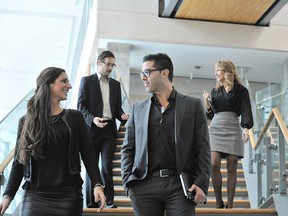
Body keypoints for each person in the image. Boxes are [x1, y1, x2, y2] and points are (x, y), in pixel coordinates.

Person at [0, 67, 106, 216]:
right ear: (48, 85)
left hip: (69, 196)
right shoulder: (26, 122)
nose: (69, 85)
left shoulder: (75, 118)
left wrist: (97, 184)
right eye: (64, 81)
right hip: (34, 196)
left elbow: (88, 154)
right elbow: (19, 162)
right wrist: (8, 196)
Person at [121, 53, 211, 216]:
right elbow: (128, 148)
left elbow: (203, 148)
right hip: (144, 186)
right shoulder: (138, 109)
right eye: (142, 73)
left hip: (180, 185)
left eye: (147, 72)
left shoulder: (193, 105)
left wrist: (202, 183)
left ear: (164, 73)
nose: (143, 77)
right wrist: (128, 183)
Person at [77, 50, 129, 208]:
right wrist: (93, 119)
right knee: (91, 165)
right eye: (107, 64)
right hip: (92, 130)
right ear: (99, 63)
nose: (110, 68)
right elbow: (81, 105)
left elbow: (117, 108)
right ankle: (92, 202)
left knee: (107, 165)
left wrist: (123, 116)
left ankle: (110, 200)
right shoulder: (86, 81)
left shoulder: (115, 84)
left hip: (109, 130)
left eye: (112, 65)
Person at [202, 60, 253, 209]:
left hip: (233, 126)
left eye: (218, 70)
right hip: (216, 127)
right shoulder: (215, 91)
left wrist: (246, 128)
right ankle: (219, 201)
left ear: (226, 71)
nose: (216, 73)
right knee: (213, 163)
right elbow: (211, 115)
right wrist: (207, 104)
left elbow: (246, 109)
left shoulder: (241, 90)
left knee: (232, 165)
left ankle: (230, 205)